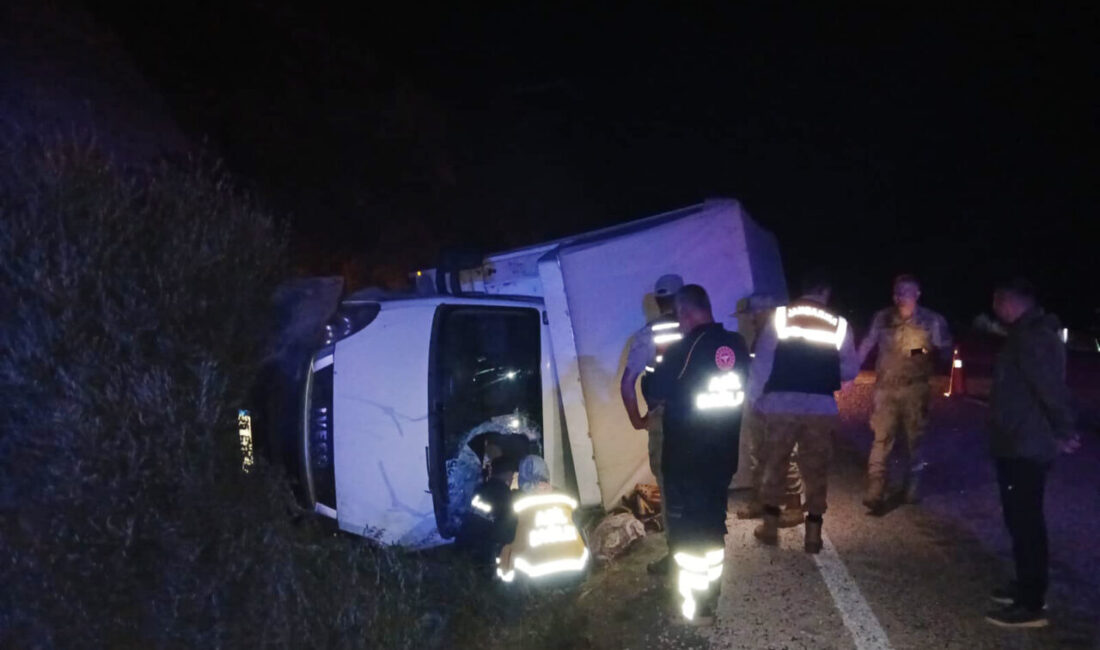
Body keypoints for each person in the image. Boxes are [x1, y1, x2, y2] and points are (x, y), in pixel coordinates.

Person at [649, 284, 749, 623]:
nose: (678, 323)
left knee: (690, 535)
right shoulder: (736, 345)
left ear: (685, 313)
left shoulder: (684, 349)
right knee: (711, 525)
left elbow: (654, 389)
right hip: (722, 457)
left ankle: (696, 607)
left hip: (686, 461)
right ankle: (711, 595)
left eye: (679, 316)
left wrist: (656, 366)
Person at [984, 278, 1079, 629]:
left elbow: (1050, 388)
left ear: (1010, 300)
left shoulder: (1034, 336)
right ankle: (1024, 586)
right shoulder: (1023, 333)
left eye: (998, 301)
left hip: (1026, 444)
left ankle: (1031, 602)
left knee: (1026, 523)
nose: (996, 308)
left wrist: (1065, 430)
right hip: (1015, 442)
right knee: (1018, 520)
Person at [749, 271, 859, 553]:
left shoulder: (780, 317)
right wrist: (822, 367)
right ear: (826, 293)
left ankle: (770, 528)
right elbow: (850, 369)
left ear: (803, 289)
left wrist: (755, 400)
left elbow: (762, 364)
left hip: (781, 403)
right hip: (820, 406)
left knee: (775, 464)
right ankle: (813, 535)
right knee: (816, 468)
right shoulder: (839, 324)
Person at [857, 274, 953, 510]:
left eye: (908, 292)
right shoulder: (883, 318)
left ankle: (913, 485)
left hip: (915, 388)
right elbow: (867, 343)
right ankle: (876, 488)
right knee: (881, 438)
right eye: (898, 292)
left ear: (917, 294)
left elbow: (943, 351)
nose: (902, 297)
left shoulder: (932, 321)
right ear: (893, 294)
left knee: (915, 440)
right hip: (886, 388)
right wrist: (850, 370)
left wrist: (918, 353)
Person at [620, 273, 684, 573]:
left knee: (670, 484)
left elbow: (627, 383)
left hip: (664, 417)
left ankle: (676, 555)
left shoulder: (648, 335)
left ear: (658, 302)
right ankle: (707, 541)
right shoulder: (697, 329)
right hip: (700, 418)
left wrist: (637, 420)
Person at [733, 293, 804, 527]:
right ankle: (760, 501)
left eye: (754, 313)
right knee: (759, 455)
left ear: (767, 311)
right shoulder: (763, 335)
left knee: (785, 454)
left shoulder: (780, 334)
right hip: (761, 405)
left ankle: (794, 507)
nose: (751, 318)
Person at [496, 456, 589, 584]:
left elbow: (504, 534)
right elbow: (581, 526)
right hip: (577, 572)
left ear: (522, 477)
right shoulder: (564, 498)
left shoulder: (518, 504)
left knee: (507, 549)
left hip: (538, 580)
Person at [455, 453, 519, 572]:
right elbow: (508, 536)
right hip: (483, 559)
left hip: (463, 551)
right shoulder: (506, 497)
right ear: (508, 474)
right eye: (512, 475)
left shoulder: (479, 490)